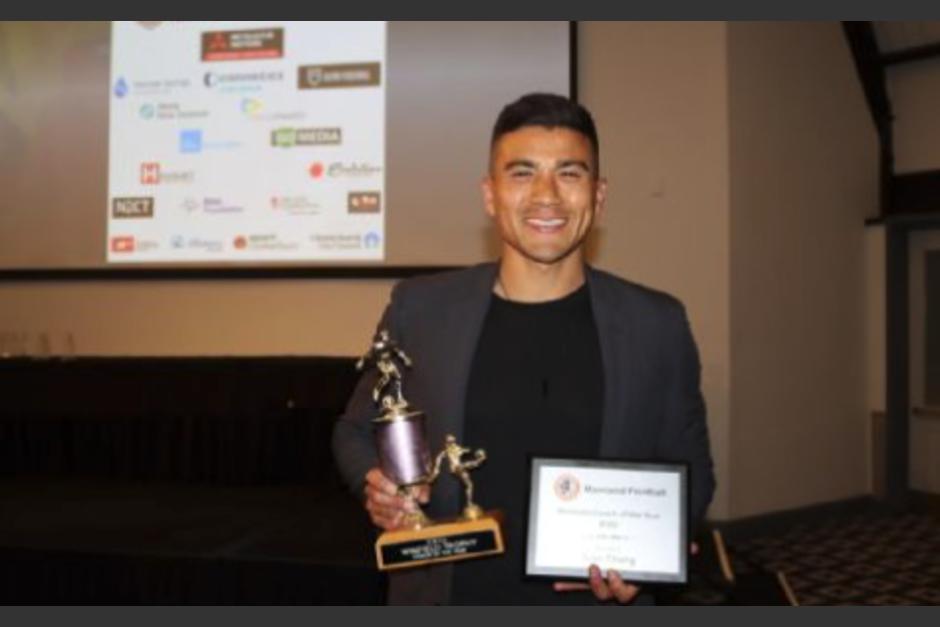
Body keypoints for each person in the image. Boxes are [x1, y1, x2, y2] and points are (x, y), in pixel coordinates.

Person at [332, 92, 715, 605]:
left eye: (569, 173)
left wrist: (651, 555)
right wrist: (376, 485)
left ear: (599, 195)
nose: (546, 196)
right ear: (490, 195)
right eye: (522, 173)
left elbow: (692, 470)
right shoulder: (420, 309)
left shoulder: (656, 323)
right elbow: (355, 431)